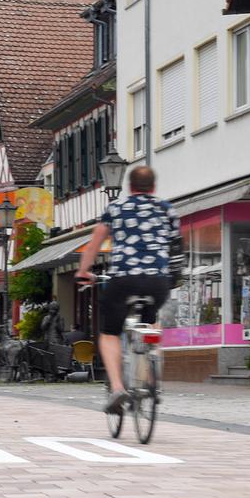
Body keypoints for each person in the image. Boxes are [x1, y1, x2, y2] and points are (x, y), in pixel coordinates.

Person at [75, 166, 183, 414]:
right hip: (157, 282)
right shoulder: (166, 209)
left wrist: (83, 272)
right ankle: (153, 378)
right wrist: (173, 279)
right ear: (153, 187)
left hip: (123, 280)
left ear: (130, 187)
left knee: (109, 333)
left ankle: (117, 388)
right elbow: (176, 249)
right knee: (151, 323)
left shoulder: (116, 209)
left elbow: (93, 245)